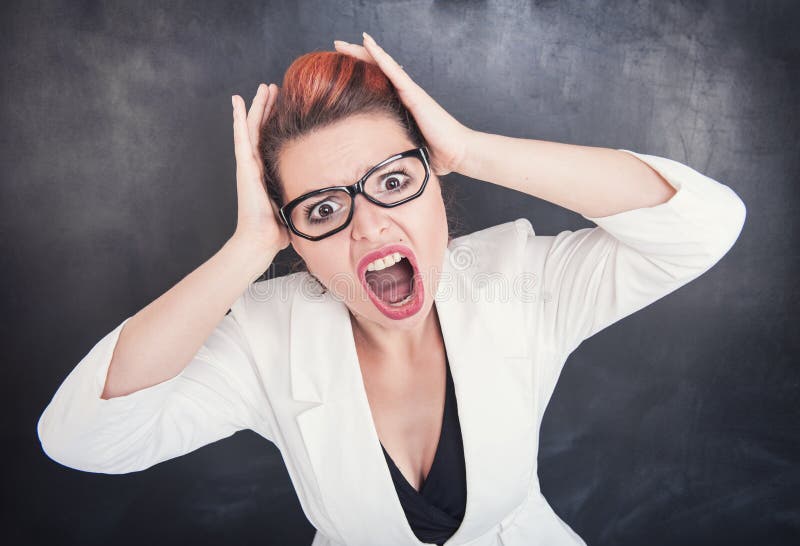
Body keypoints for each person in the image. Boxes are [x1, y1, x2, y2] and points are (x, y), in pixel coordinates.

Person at [37, 32, 747, 546]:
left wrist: (470, 149)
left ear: (436, 182)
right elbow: (84, 439)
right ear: (295, 241)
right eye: (322, 209)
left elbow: (705, 225)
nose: (371, 228)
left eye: (395, 182)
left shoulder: (521, 280)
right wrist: (247, 247)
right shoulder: (263, 338)